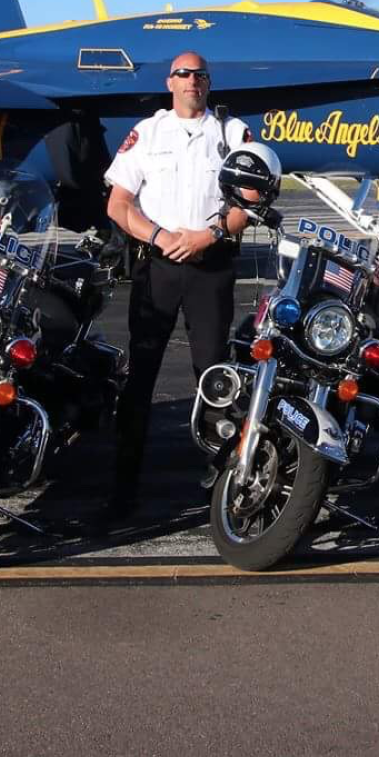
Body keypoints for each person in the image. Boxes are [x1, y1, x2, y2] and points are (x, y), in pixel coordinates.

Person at [102, 52, 254, 517]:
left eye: (201, 75)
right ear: (170, 81)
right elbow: (119, 204)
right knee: (141, 373)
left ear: (209, 83)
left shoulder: (232, 134)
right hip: (158, 266)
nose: (193, 81)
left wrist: (208, 235)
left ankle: (220, 478)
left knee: (213, 375)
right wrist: (160, 236)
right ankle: (123, 484)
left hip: (210, 266)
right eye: (184, 74)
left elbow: (249, 202)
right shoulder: (147, 134)